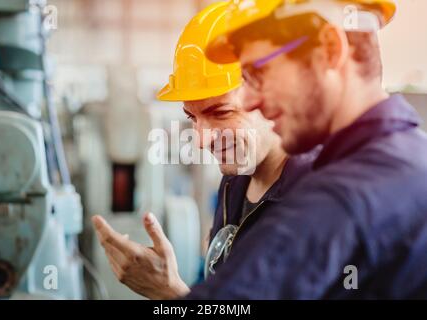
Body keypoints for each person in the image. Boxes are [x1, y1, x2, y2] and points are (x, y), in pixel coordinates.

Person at [181, 0, 427, 299]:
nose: (249, 101)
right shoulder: (412, 156)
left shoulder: (343, 197)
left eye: (258, 74)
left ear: (330, 50)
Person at [92, 2, 318, 300]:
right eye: (192, 117)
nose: (200, 140)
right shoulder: (236, 181)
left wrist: (170, 293)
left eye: (221, 112)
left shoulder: (318, 198)